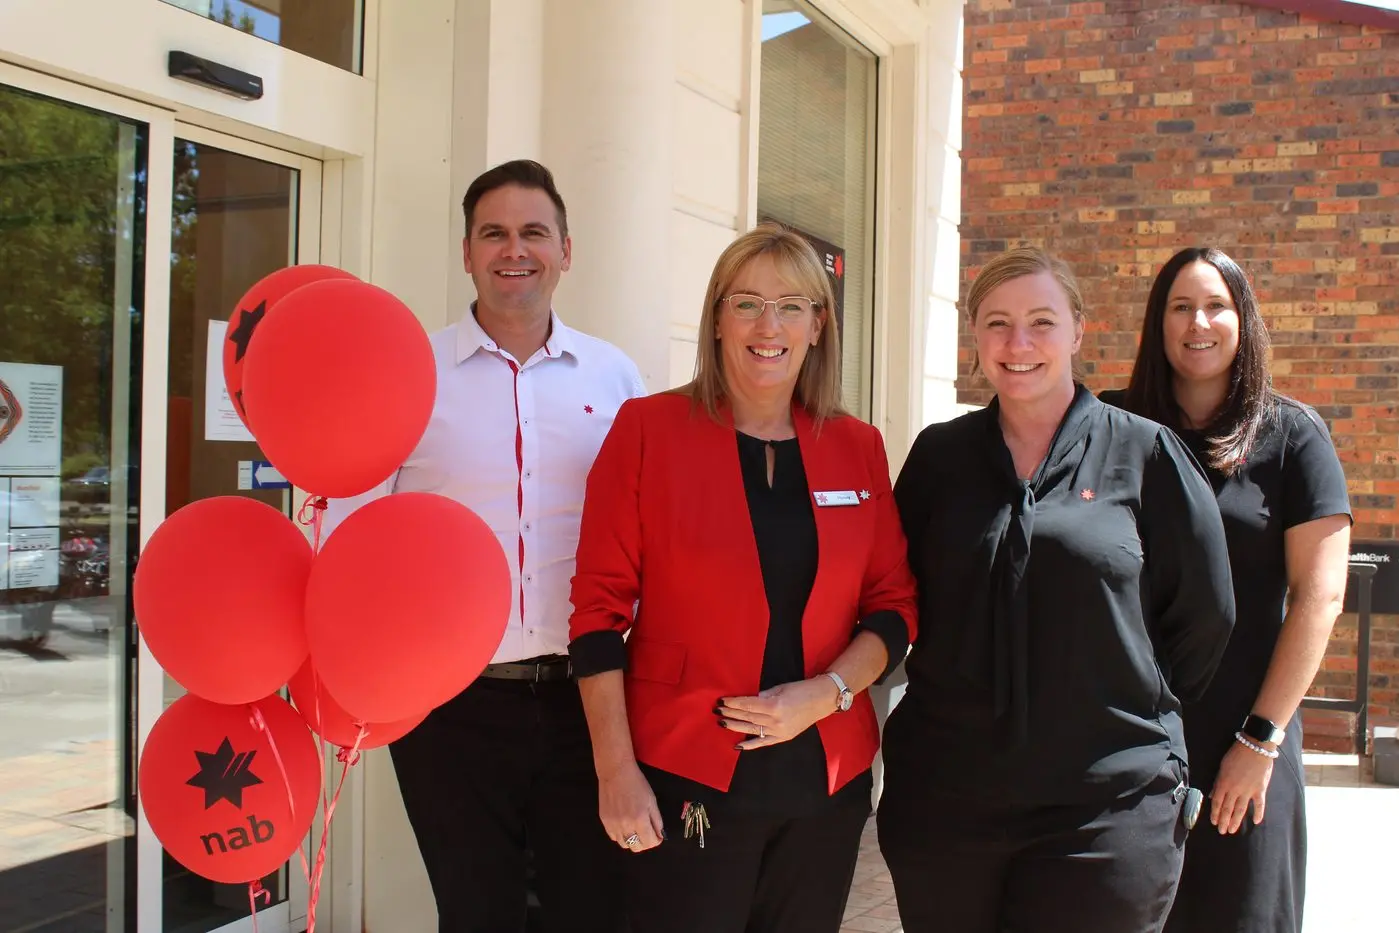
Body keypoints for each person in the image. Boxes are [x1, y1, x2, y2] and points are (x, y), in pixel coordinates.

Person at [567, 223, 917, 933]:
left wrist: (829, 692)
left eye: (792, 305)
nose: (770, 325)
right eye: (748, 303)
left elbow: (893, 606)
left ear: (818, 325)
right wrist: (614, 771)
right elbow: (597, 615)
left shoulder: (856, 446)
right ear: (718, 318)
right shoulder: (647, 430)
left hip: (825, 775)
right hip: (686, 770)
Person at [324, 159, 645, 933]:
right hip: (448, 708)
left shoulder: (617, 375)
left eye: (534, 232)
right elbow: (351, 539)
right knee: (476, 913)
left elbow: (647, 532)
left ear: (566, 249)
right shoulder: (410, 375)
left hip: (590, 700)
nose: (515, 249)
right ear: (465, 251)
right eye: (493, 233)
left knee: (590, 910)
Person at [879, 247, 1236, 933]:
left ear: (1077, 330)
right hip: (946, 802)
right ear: (974, 335)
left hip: (1105, 807)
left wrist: (1115, 702)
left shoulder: (1147, 453)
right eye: (996, 323)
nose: (1018, 344)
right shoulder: (938, 457)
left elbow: (1204, 615)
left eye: (1041, 321)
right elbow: (896, 593)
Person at [1103, 247, 1352, 933]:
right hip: (1124, 739)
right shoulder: (1110, 426)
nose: (1197, 322)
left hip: (1245, 740)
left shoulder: (1292, 436)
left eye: (1215, 305)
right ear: (1157, 323)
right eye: (1179, 307)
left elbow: (1318, 597)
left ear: (1243, 319)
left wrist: (1260, 740)